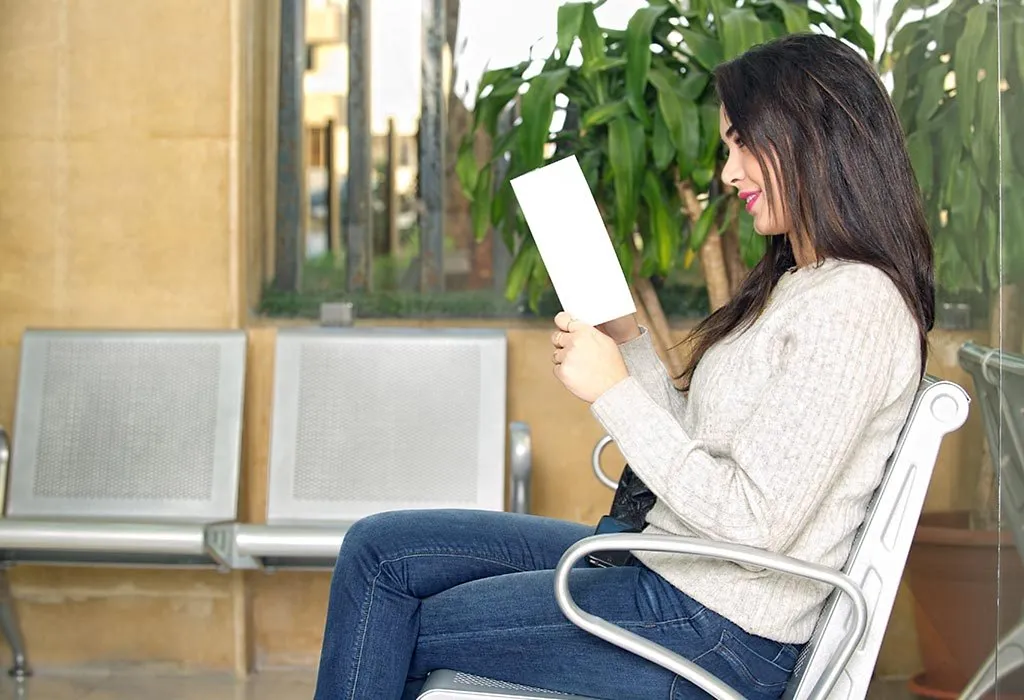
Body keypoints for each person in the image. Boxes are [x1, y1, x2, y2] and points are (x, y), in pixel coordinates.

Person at [312, 32, 934, 700]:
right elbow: (709, 457)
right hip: (674, 574)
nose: (728, 173)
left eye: (742, 144)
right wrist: (630, 343)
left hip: (716, 628)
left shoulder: (855, 306)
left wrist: (612, 390)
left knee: (395, 617)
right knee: (380, 554)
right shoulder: (801, 284)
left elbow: (752, 520)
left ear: (812, 138)